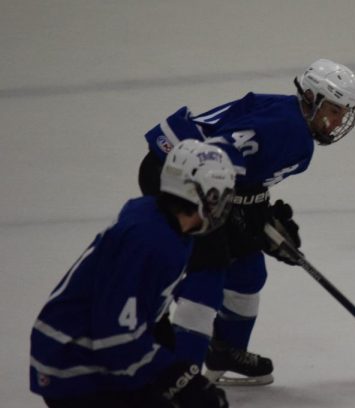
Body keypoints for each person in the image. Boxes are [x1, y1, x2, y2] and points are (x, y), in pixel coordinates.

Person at [138, 59, 355, 385]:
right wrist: (244, 217)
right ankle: (179, 376)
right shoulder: (288, 130)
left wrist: (260, 217)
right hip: (176, 175)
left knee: (248, 270)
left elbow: (243, 176)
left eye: (343, 113)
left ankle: (225, 351)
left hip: (205, 179)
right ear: (311, 98)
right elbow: (212, 157)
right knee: (209, 270)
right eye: (335, 110)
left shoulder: (293, 122)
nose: (338, 120)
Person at [30, 140, 235, 408]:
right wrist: (178, 378)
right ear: (196, 193)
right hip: (72, 360)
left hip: (87, 351)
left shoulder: (160, 222)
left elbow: (137, 312)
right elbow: (113, 335)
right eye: (216, 197)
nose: (220, 208)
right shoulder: (150, 240)